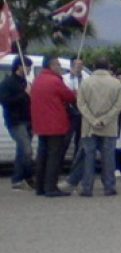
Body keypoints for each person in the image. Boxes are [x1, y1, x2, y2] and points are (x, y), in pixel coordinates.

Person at [76, 58, 121, 196]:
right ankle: (109, 186)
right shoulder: (116, 84)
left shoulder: (85, 83)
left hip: (89, 126)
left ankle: (87, 187)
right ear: (108, 67)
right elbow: (119, 105)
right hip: (109, 126)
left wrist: (93, 119)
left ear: (93, 66)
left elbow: (81, 104)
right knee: (108, 157)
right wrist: (105, 119)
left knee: (88, 157)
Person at [29, 56, 76, 197]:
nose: (60, 67)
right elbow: (70, 97)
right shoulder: (55, 81)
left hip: (41, 124)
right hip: (55, 123)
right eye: (57, 64)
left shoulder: (37, 80)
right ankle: (51, 187)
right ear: (51, 66)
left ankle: (40, 186)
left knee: (42, 155)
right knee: (54, 157)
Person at [1, 57, 34, 190]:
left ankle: (17, 179)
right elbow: (5, 101)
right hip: (15, 121)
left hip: (28, 119)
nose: (29, 69)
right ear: (18, 67)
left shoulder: (26, 82)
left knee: (21, 150)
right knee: (27, 150)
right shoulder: (8, 82)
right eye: (27, 66)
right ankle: (28, 176)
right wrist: (24, 95)